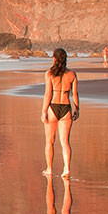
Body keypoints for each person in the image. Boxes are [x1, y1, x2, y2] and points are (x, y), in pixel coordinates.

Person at [41, 47, 81, 177]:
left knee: (50, 141)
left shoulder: (49, 74)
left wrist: (44, 111)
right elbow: (75, 94)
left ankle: (49, 169)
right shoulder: (72, 74)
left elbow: (48, 94)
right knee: (65, 142)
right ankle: (67, 169)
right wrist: (77, 108)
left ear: (54, 59)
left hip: (53, 107)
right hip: (66, 108)